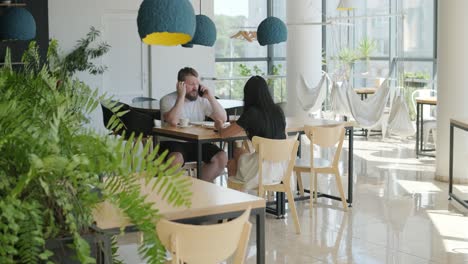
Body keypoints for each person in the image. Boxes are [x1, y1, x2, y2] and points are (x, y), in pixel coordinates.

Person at [214, 76, 288, 190]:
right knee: (239, 151)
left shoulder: (252, 113)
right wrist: (240, 123)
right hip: (281, 168)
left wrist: (219, 125)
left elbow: (224, 134)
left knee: (232, 162)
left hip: (261, 170)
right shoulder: (278, 110)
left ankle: (238, 201)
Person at [159, 67, 227, 182]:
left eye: (197, 83)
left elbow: (223, 118)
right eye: (191, 84)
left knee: (221, 157)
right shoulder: (167, 100)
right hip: (173, 142)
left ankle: (199, 187)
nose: (195, 87)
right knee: (175, 159)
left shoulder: (202, 100)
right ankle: (171, 194)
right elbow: (173, 121)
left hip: (197, 141)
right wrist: (181, 96)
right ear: (180, 85)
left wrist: (210, 97)